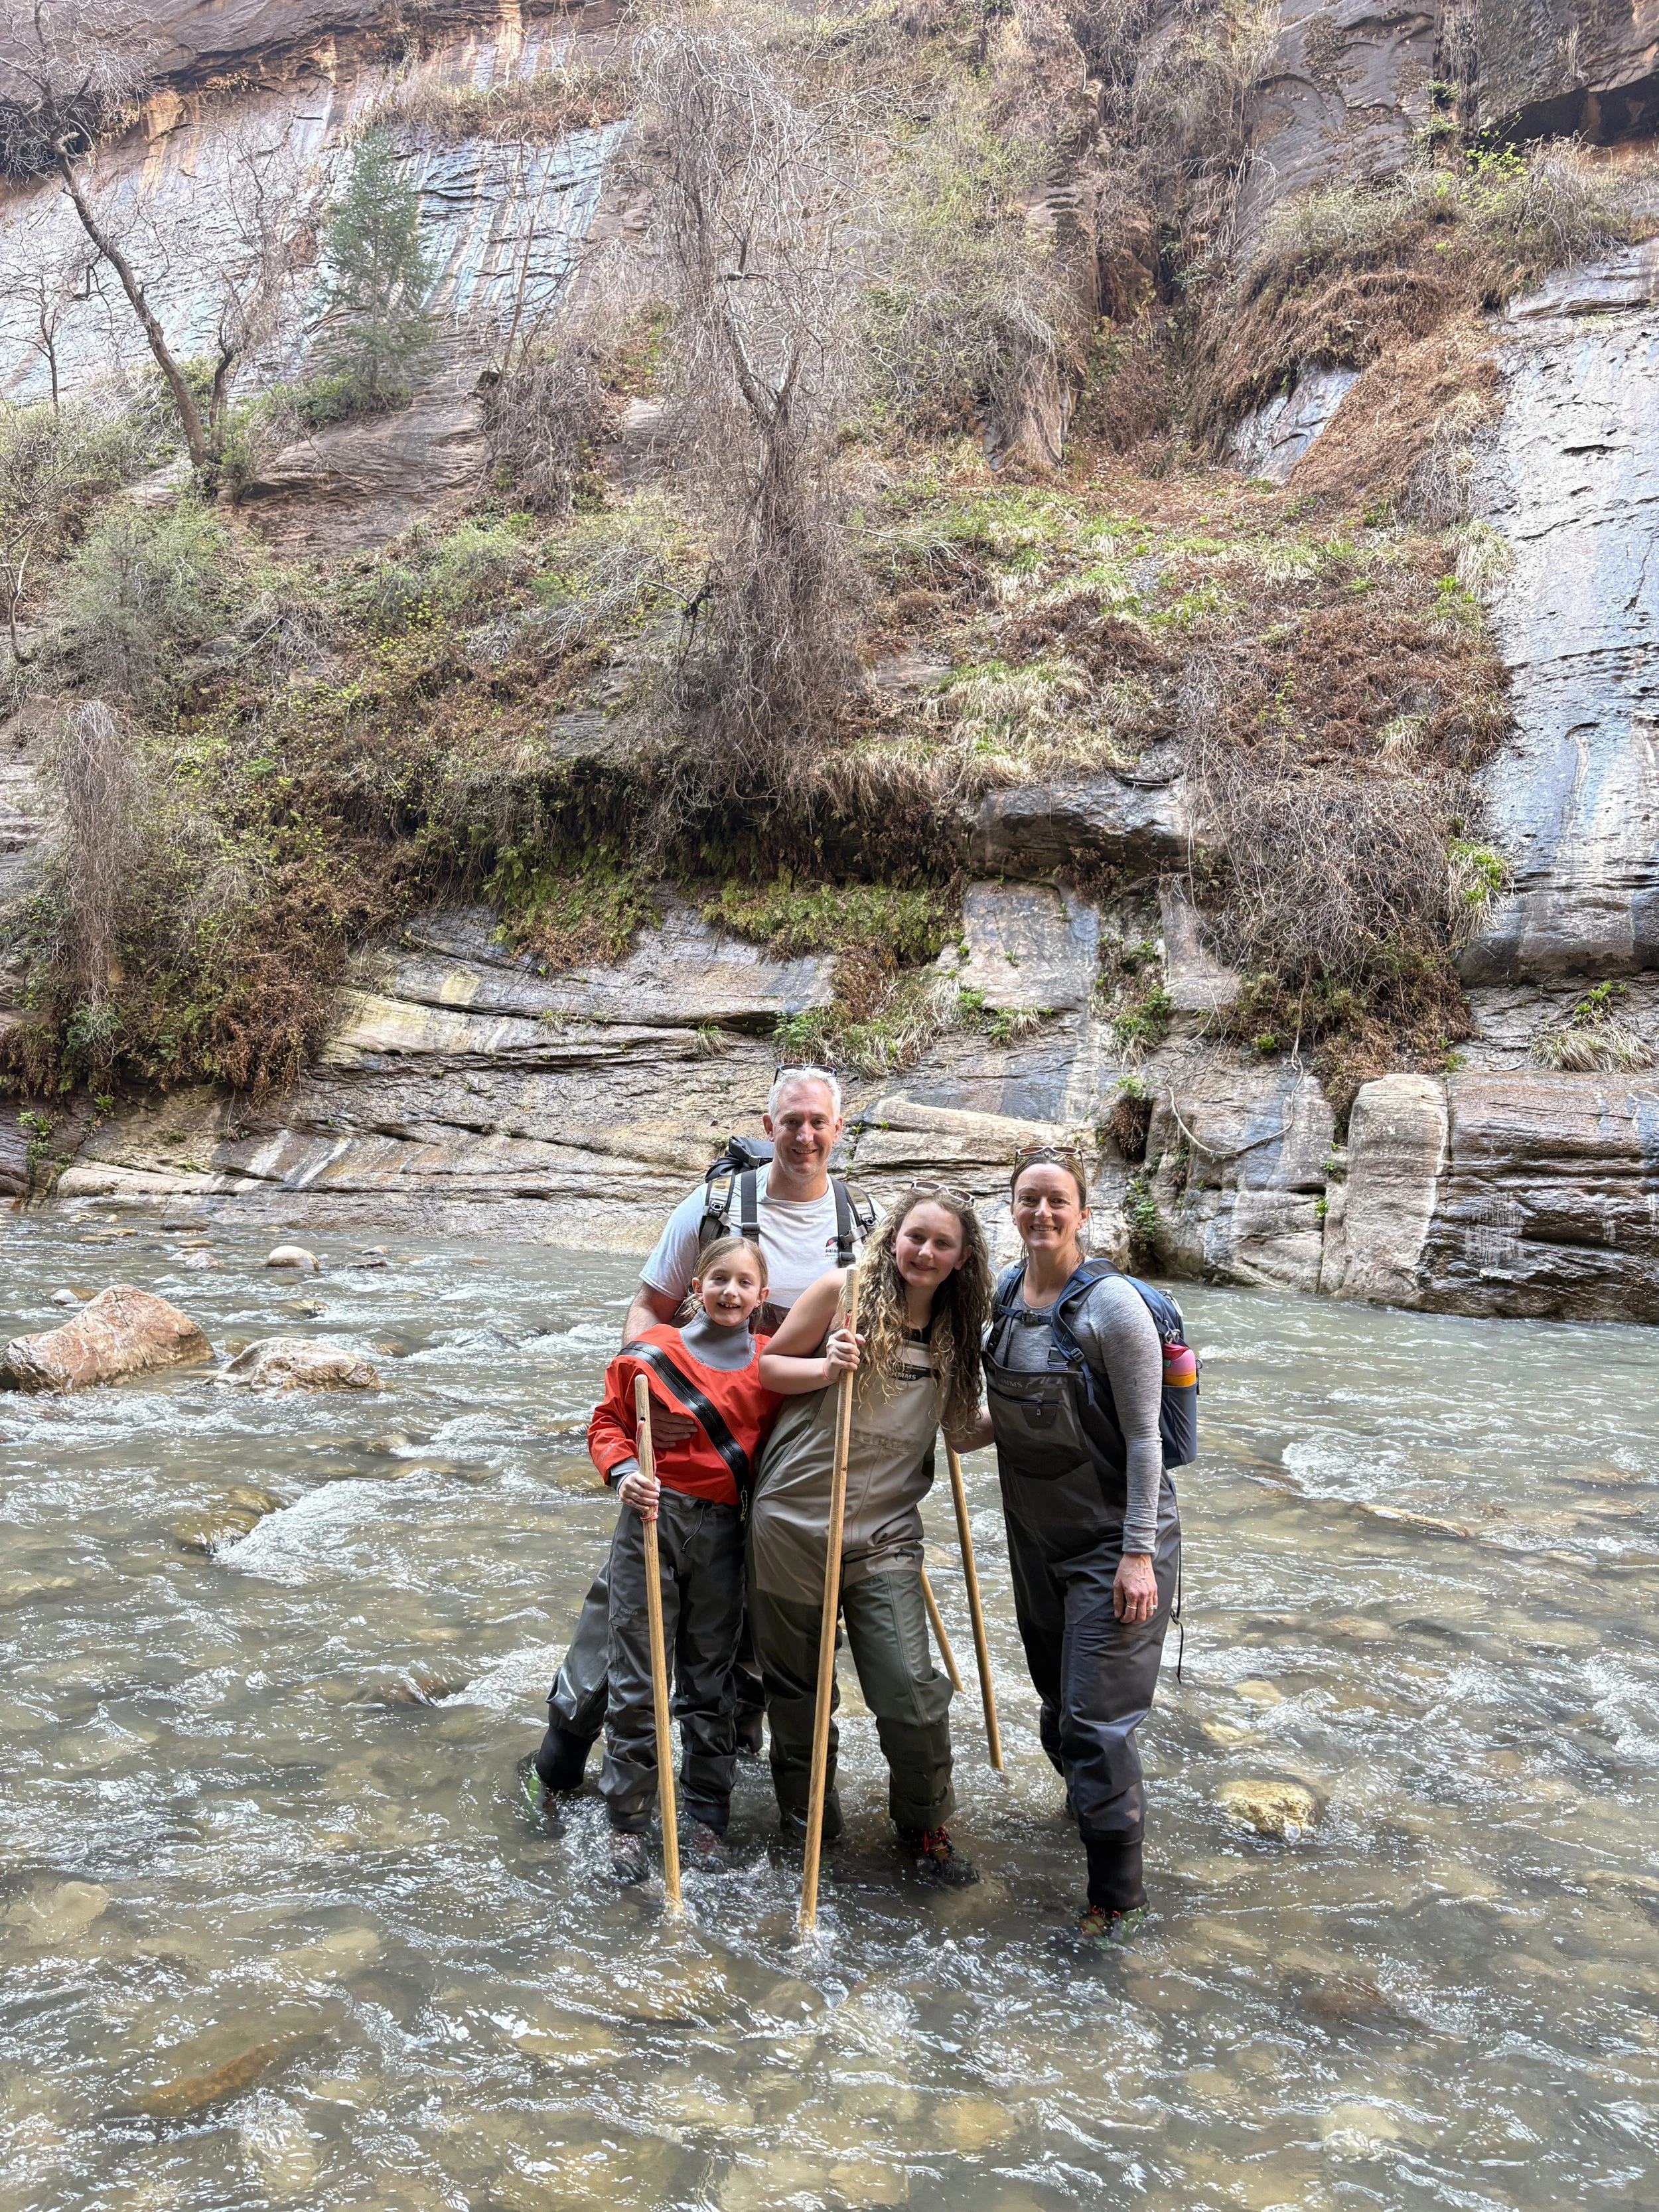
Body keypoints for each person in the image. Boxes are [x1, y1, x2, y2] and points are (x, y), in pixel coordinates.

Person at [526, 1066, 872, 1803]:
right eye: (791, 1121)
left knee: (757, 1624)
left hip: (794, 1457)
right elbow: (649, 1307)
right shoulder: (711, 1206)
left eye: (818, 1123)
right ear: (770, 1124)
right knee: (623, 1615)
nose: (805, 1136)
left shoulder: (861, 1227)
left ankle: (717, 1796)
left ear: (838, 1131)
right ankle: (558, 1765)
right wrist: (641, 1415)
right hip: (690, 1446)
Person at [960, 1145, 1181, 1941]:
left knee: (1094, 1725)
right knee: (1059, 1714)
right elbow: (996, 1419)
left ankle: (1118, 1902)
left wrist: (1137, 1555)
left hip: (1114, 1542)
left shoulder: (1111, 1309)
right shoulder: (1008, 1297)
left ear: (1083, 1213)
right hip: (1035, 1538)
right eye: (1028, 1200)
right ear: (1011, 1210)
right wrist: (954, 1423)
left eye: (1058, 1201)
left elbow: (1146, 1442)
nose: (1042, 1213)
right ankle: (1089, 1813)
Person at [749, 1186, 991, 1883]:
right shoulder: (840, 1291)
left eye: (941, 1244)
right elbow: (767, 1368)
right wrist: (826, 1366)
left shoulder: (956, 1326)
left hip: (886, 1531)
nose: (924, 1251)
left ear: (961, 1258)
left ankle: (923, 1826)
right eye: (915, 1236)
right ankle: (809, 1827)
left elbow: (955, 1430)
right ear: (893, 1238)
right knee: (799, 1698)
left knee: (911, 1692)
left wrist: (1033, 1410)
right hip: (792, 1521)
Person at [582, 1236, 828, 1881]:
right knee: (636, 1681)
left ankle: (706, 1820)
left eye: (744, 1284)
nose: (730, 1293)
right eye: (719, 1279)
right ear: (697, 1283)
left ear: (762, 1296)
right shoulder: (649, 1354)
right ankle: (628, 1823)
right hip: (649, 1523)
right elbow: (605, 1424)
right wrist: (623, 1470)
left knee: (710, 1682)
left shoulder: (770, 1363)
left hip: (724, 1533)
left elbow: (803, 1430)